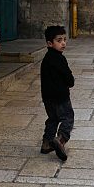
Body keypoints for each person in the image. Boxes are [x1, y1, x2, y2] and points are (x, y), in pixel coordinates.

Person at [39, 25, 74, 161]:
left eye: (64, 40)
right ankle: (61, 140)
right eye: (59, 40)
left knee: (53, 119)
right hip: (61, 97)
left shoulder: (46, 59)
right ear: (49, 43)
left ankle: (46, 144)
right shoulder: (59, 59)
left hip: (48, 98)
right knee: (68, 117)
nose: (63, 43)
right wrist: (71, 82)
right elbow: (68, 77)